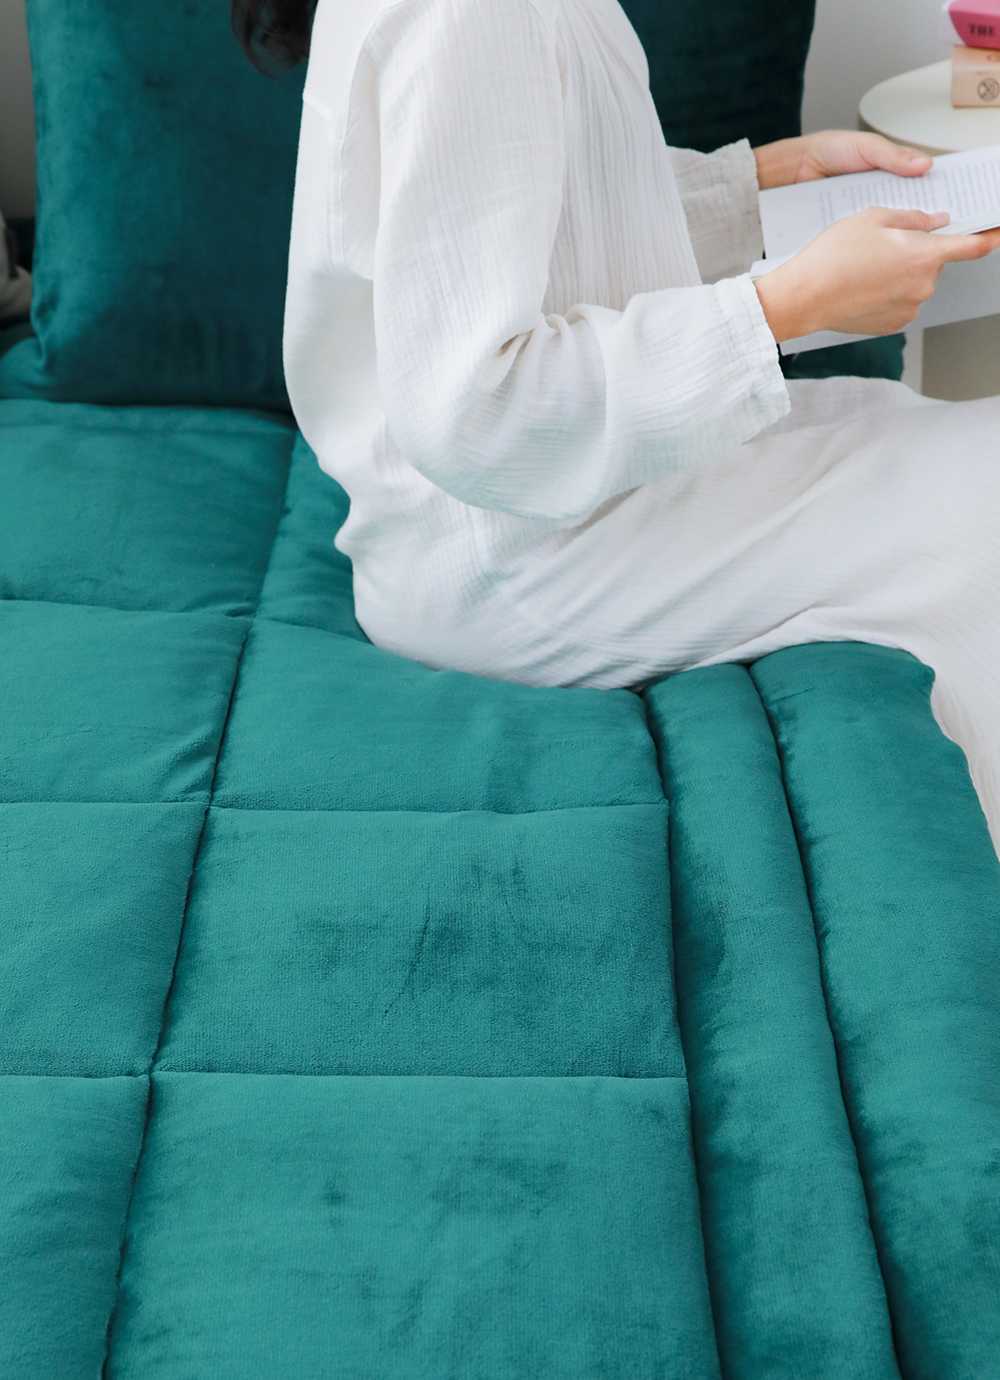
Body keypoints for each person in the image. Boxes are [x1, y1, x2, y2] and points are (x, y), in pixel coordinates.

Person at [236, 0, 1000, 852]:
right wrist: (783, 308)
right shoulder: (469, 14)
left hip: (537, 503)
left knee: (918, 437)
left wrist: (757, 190)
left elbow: (545, 217)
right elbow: (475, 412)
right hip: (514, 550)